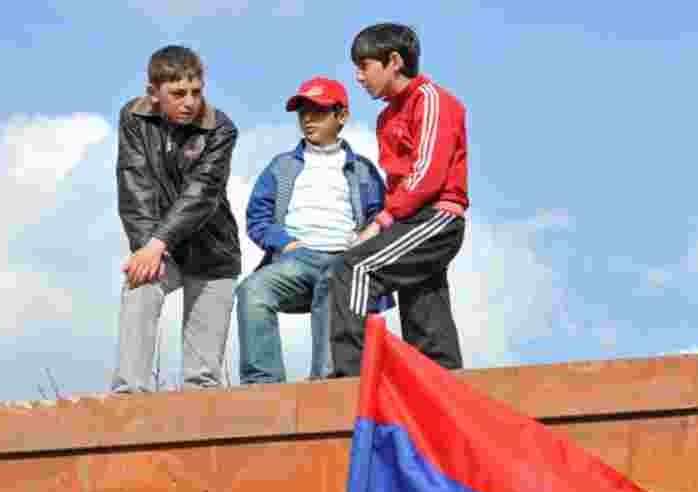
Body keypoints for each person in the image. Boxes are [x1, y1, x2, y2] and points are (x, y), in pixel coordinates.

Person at [326, 23, 469, 377]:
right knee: (423, 303)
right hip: (411, 220)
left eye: (364, 66)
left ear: (393, 61)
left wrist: (381, 222)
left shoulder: (432, 100)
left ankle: (351, 374)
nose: (358, 77)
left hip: (437, 217)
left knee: (356, 268)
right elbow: (399, 181)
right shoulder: (387, 117)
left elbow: (426, 176)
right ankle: (443, 377)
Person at [236, 77, 390, 383]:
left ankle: (325, 383)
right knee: (251, 290)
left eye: (318, 111)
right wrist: (285, 243)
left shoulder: (363, 170)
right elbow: (258, 218)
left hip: (344, 259)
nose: (307, 118)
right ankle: (263, 387)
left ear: (341, 116)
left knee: (333, 285)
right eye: (302, 111)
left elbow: (381, 217)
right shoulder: (281, 166)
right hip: (297, 257)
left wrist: (359, 249)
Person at [111, 45, 241, 393]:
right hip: (160, 247)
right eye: (178, 93)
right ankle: (128, 395)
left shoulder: (221, 129)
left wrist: (156, 242)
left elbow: (202, 193)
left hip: (212, 252)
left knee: (202, 378)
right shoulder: (134, 117)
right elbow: (133, 183)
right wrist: (146, 248)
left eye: (196, 92)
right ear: (153, 93)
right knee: (139, 284)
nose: (189, 102)